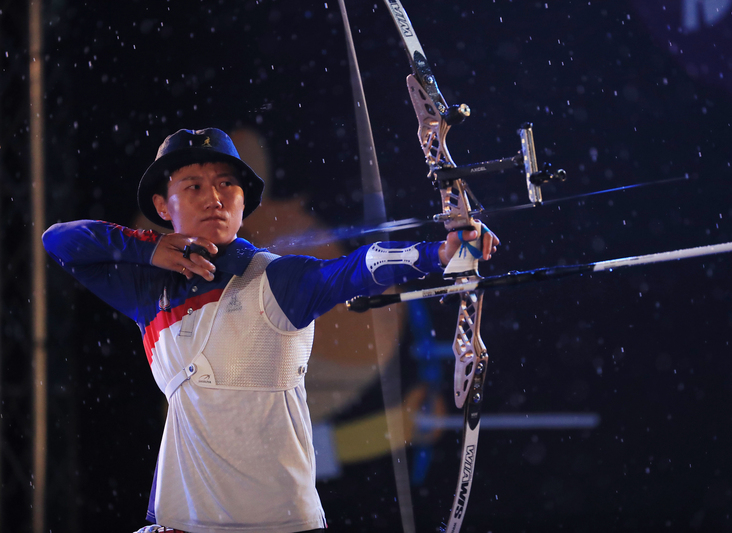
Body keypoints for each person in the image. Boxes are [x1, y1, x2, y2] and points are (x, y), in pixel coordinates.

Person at [42, 128, 499, 533]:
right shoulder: (148, 290)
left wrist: (439, 252)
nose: (214, 198)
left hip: (282, 521)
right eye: (193, 186)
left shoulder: (278, 279)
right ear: (163, 205)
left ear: (244, 201)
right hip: (182, 520)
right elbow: (60, 239)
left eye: (227, 184)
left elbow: (357, 268)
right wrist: (149, 248)